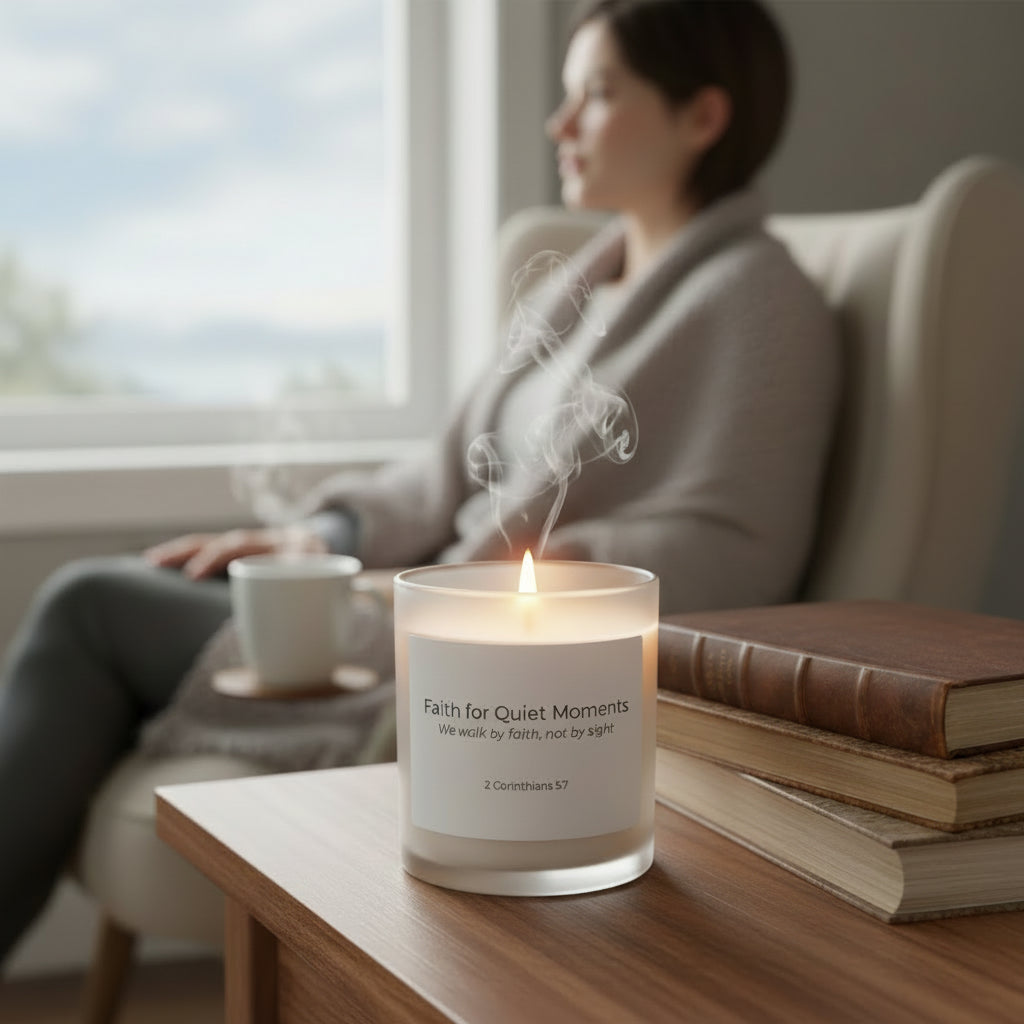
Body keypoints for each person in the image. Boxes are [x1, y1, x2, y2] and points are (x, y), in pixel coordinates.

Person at [0, 0, 839, 964]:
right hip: (406, 607)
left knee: (88, 605)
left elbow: (746, 551)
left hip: (474, 654)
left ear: (704, 115)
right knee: (124, 599)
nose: (559, 126)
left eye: (597, 96)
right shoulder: (580, 284)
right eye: (564, 97)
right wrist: (322, 534)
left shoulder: (758, 301)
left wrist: (557, 574)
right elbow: (446, 468)